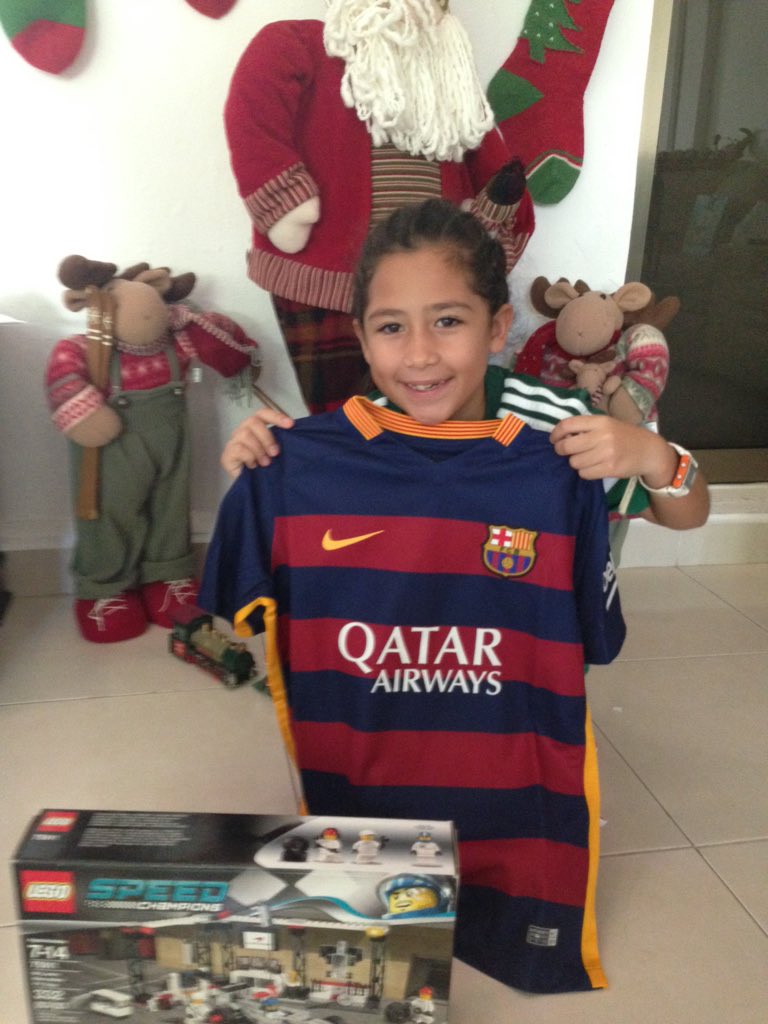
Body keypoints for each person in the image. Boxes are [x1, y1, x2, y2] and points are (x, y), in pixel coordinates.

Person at [199, 199, 708, 996]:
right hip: (376, 761)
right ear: (362, 338)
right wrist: (260, 473)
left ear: (498, 326)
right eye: (391, 327)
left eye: (448, 321)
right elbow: (238, 607)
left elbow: (689, 512)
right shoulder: (321, 455)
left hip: (515, 731)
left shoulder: (558, 434)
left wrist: (650, 454)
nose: (420, 354)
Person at [224, 0, 533, 412]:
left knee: (444, 413)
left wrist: (498, 226)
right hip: (327, 282)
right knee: (348, 424)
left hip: (438, 278)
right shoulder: (301, 44)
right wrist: (282, 201)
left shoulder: (447, 73)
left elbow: (482, 145)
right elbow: (255, 116)